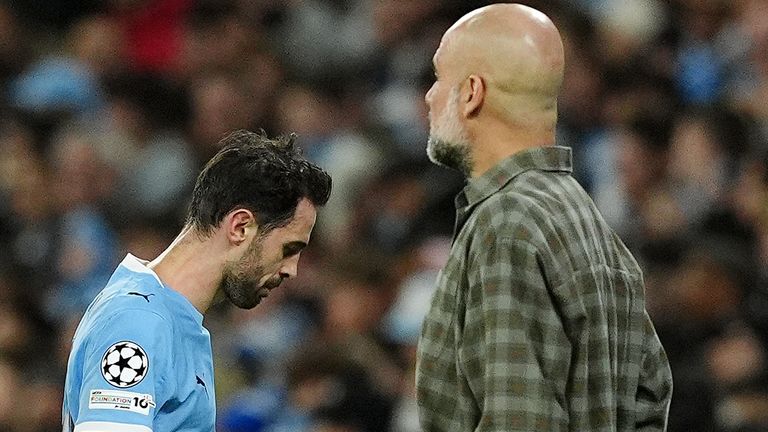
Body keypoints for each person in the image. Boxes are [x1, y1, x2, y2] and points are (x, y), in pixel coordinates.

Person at [415, 4, 673, 431]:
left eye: (440, 77)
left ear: (471, 93)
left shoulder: (507, 224)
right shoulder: (586, 218)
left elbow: (521, 421)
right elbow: (650, 395)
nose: (429, 95)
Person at [62, 130, 332, 431]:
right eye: (289, 249)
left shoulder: (173, 321)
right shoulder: (139, 320)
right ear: (241, 227)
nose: (291, 270)